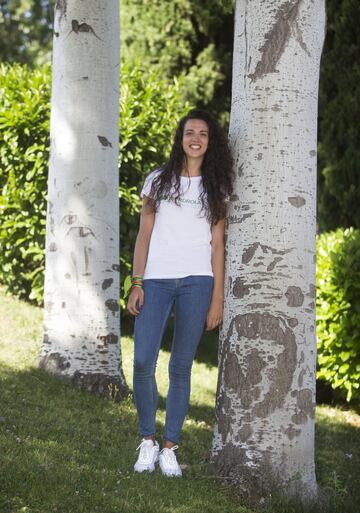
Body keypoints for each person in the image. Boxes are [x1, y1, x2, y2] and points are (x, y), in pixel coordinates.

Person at [127, 109, 234, 477]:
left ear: (210, 141)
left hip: (197, 282)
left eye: (203, 133)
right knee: (142, 362)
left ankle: (170, 446)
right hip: (155, 280)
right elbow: (144, 235)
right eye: (190, 132)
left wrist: (217, 297)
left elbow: (218, 246)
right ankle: (147, 439)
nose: (196, 138)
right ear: (180, 137)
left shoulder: (216, 186)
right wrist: (136, 282)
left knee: (181, 367)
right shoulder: (157, 180)